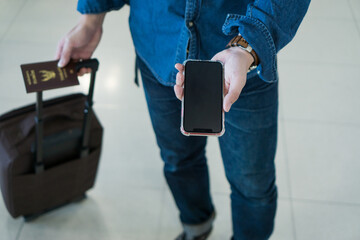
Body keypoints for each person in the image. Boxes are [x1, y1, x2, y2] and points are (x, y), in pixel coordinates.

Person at [56, 1, 310, 239]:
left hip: (244, 62)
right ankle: (196, 226)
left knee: (253, 182)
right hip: (159, 44)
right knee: (178, 160)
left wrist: (247, 46)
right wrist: (90, 21)